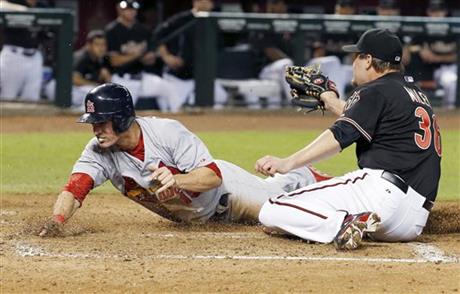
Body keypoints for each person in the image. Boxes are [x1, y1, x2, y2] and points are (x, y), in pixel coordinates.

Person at [38, 82, 329, 236]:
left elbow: (212, 175)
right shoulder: (98, 152)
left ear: (122, 118)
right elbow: (75, 188)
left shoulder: (166, 132)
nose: (96, 129)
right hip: (200, 218)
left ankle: (301, 176)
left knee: (280, 213)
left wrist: (177, 179)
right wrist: (56, 220)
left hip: (227, 192)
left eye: (102, 121)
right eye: (93, 122)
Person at [255, 29, 441, 250]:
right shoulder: (413, 94)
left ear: (368, 60)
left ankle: (344, 223)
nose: (352, 62)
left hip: (380, 195)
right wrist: (330, 100)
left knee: (273, 208)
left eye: (357, 56)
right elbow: (367, 119)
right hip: (412, 221)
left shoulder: (374, 90)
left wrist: (287, 163)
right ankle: (350, 222)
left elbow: (340, 135)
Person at [105, 0, 181, 112]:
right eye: (127, 9)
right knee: (119, 114)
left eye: (133, 10)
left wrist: (150, 58)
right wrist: (138, 55)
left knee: (169, 89)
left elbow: (154, 50)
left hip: (142, 77)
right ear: (119, 10)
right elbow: (115, 61)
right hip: (122, 80)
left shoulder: (143, 29)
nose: (131, 12)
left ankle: (174, 120)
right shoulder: (112, 30)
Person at [154, 0, 228, 109]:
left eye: (207, 2)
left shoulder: (213, 22)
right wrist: (166, 56)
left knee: (221, 97)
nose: (204, 4)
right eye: (201, 1)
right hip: (179, 77)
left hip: (201, 77)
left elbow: (220, 47)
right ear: (194, 2)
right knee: (176, 109)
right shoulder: (182, 19)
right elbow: (157, 35)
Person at [406, 0, 457, 109]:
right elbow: (410, 45)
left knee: (450, 81)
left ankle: (450, 111)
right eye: (434, 11)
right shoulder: (424, 27)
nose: (437, 14)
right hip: (427, 67)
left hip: (447, 68)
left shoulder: (453, 28)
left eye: (439, 11)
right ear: (428, 12)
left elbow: (457, 55)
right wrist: (420, 49)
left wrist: (437, 57)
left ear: (445, 12)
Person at [44, 30, 112, 108]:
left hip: (70, 89)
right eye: (97, 44)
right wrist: (97, 86)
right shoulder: (82, 57)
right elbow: (75, 80)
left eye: (103, 45)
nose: (101, 48)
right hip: (56, 88)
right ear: (88, 45)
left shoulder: (99, 60)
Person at [0, 0, 44, 101]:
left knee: (32, 98)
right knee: (7, 96)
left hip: (35, 56)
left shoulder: (42, 5)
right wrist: (23, 10)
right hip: (13, 55)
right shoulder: (15, 1)